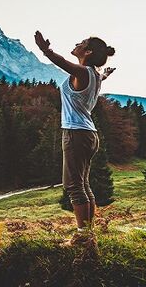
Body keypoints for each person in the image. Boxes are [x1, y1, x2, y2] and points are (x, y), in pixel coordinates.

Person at [34, 31, 116, 249]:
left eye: (81, 43)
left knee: (73, 186)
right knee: (82, 184)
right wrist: (105, 74)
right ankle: (88, 234)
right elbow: (96, 77)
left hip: (76, 134)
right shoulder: (95, 75)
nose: (77, 44)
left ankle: (82, 238)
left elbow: (60, 62)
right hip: (88, 134)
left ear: (87, 52)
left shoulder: (83, 71)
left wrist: (45, 50)